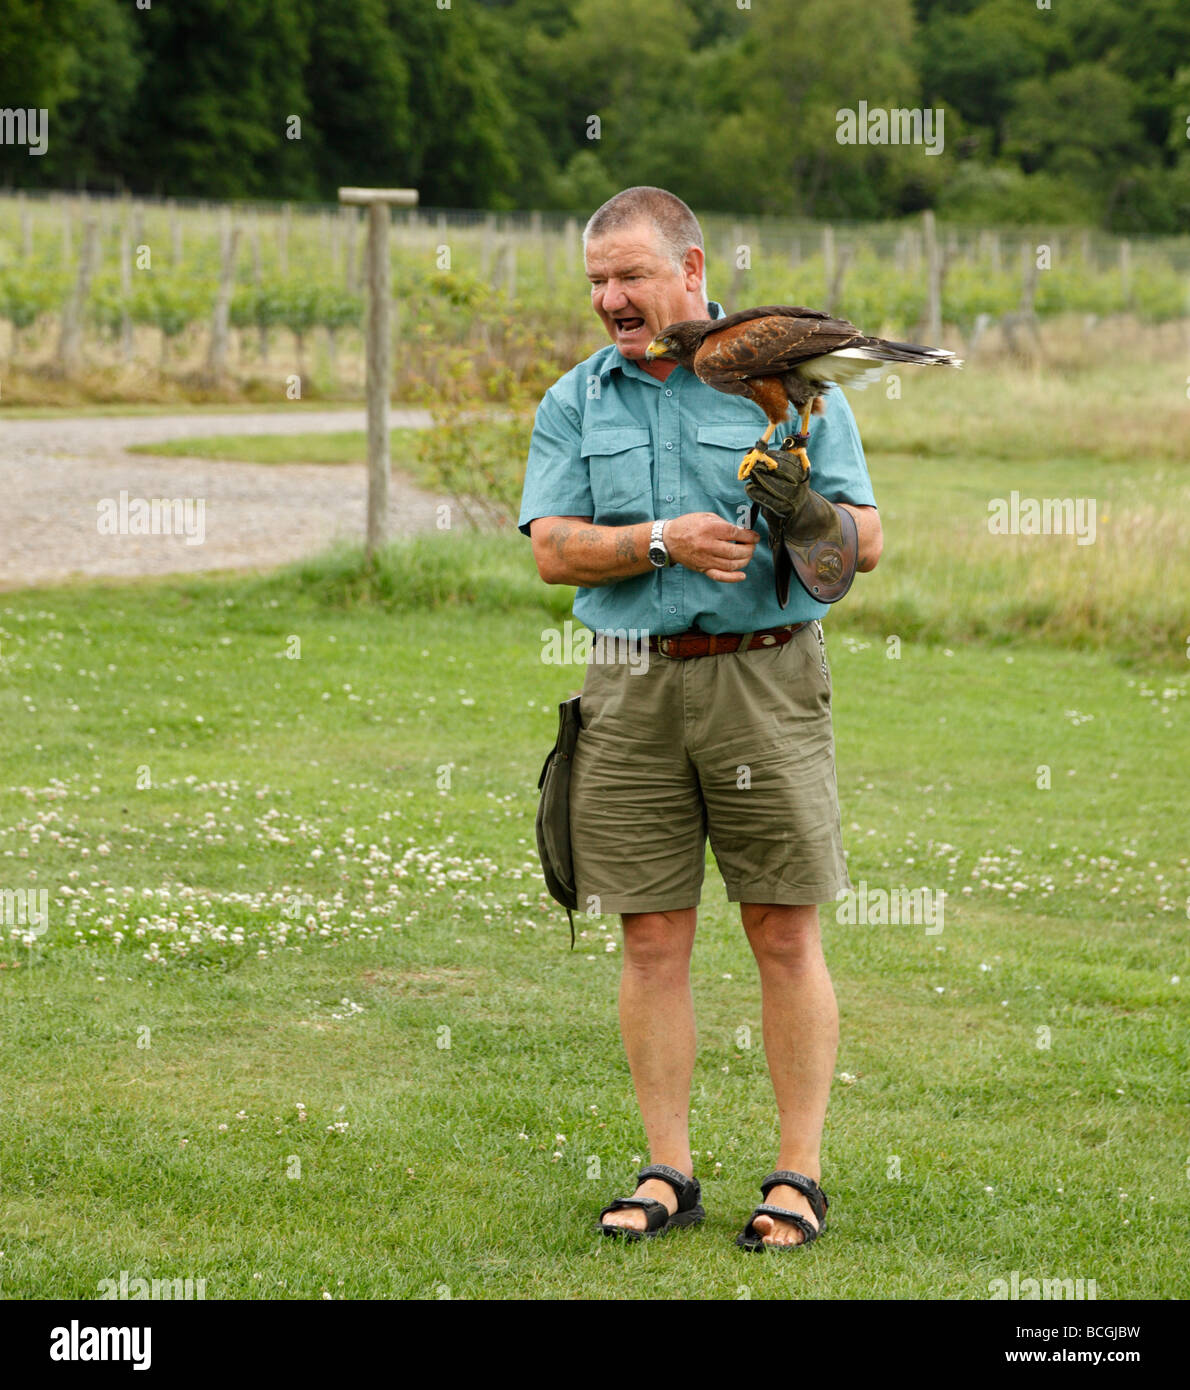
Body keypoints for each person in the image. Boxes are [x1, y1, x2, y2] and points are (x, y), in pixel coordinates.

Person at [518, 186, 882, 1249]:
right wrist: (660, 540)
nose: (609, 299)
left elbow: (862, 541)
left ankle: (797, 1175)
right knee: (649, 935)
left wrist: (801, 511)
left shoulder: (779, 374)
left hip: (761, 674)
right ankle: (667, 1169)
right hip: (627, 682)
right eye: (595, 281)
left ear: (689, 267)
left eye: (628, 275)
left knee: (780, 925)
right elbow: (552, 551)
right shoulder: (576, 400)